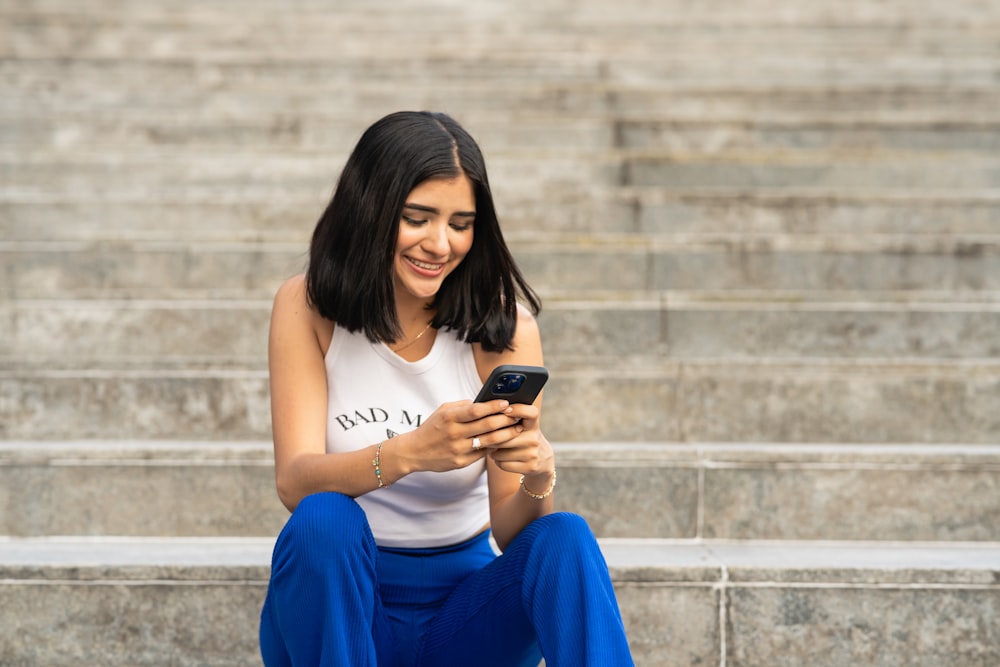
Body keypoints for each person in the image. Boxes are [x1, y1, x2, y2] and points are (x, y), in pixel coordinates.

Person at [258, 110, 634, 666]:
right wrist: (412, 453)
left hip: (464, 621)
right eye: (417, 218)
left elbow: (512, 530)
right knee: (322, 521)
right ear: (371, 210)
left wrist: (536, 475)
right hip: (341, 608)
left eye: (461, 223)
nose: (440, 243)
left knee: (565, 537)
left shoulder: (504, 332)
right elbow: (295, 482)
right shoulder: (308, 306)